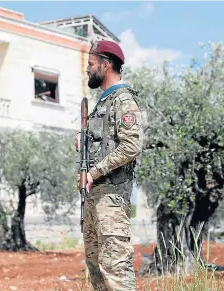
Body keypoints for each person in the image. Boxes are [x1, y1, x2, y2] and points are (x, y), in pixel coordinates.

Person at [75, 40, 144, 291]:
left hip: (112, 202)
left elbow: (131, 146)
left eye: (91, 64)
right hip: (95, 200)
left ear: (105, 65)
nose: (88, 70)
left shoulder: (123, 100)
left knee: (116, 271)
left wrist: (93, 172)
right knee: (96, 272)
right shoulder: (103, 103)